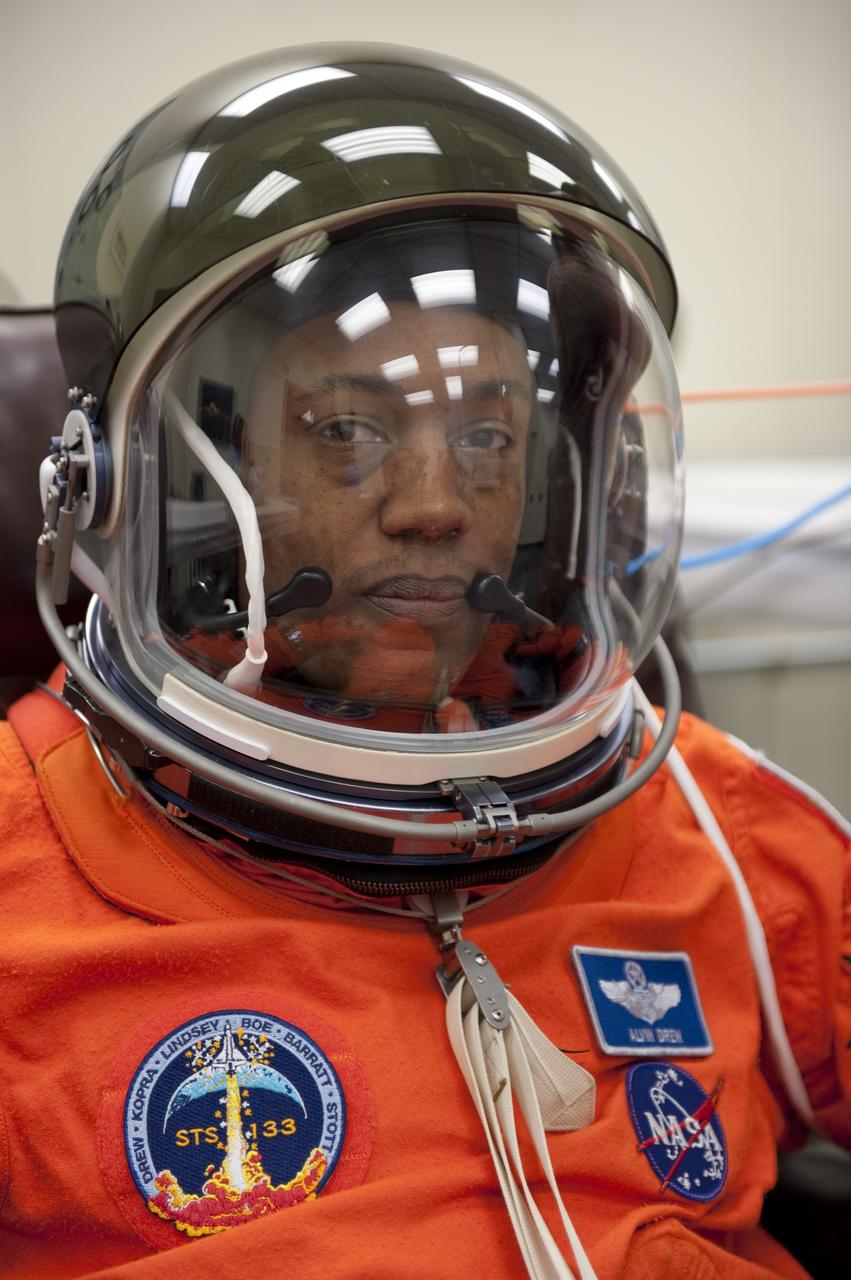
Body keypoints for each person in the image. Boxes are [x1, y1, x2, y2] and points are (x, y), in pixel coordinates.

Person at [0, 43, 848, 1280]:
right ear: (156, 479)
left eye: (488, 436)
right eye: (347, 430)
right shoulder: (23, 871)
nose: (435, 506)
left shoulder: (718, 831)